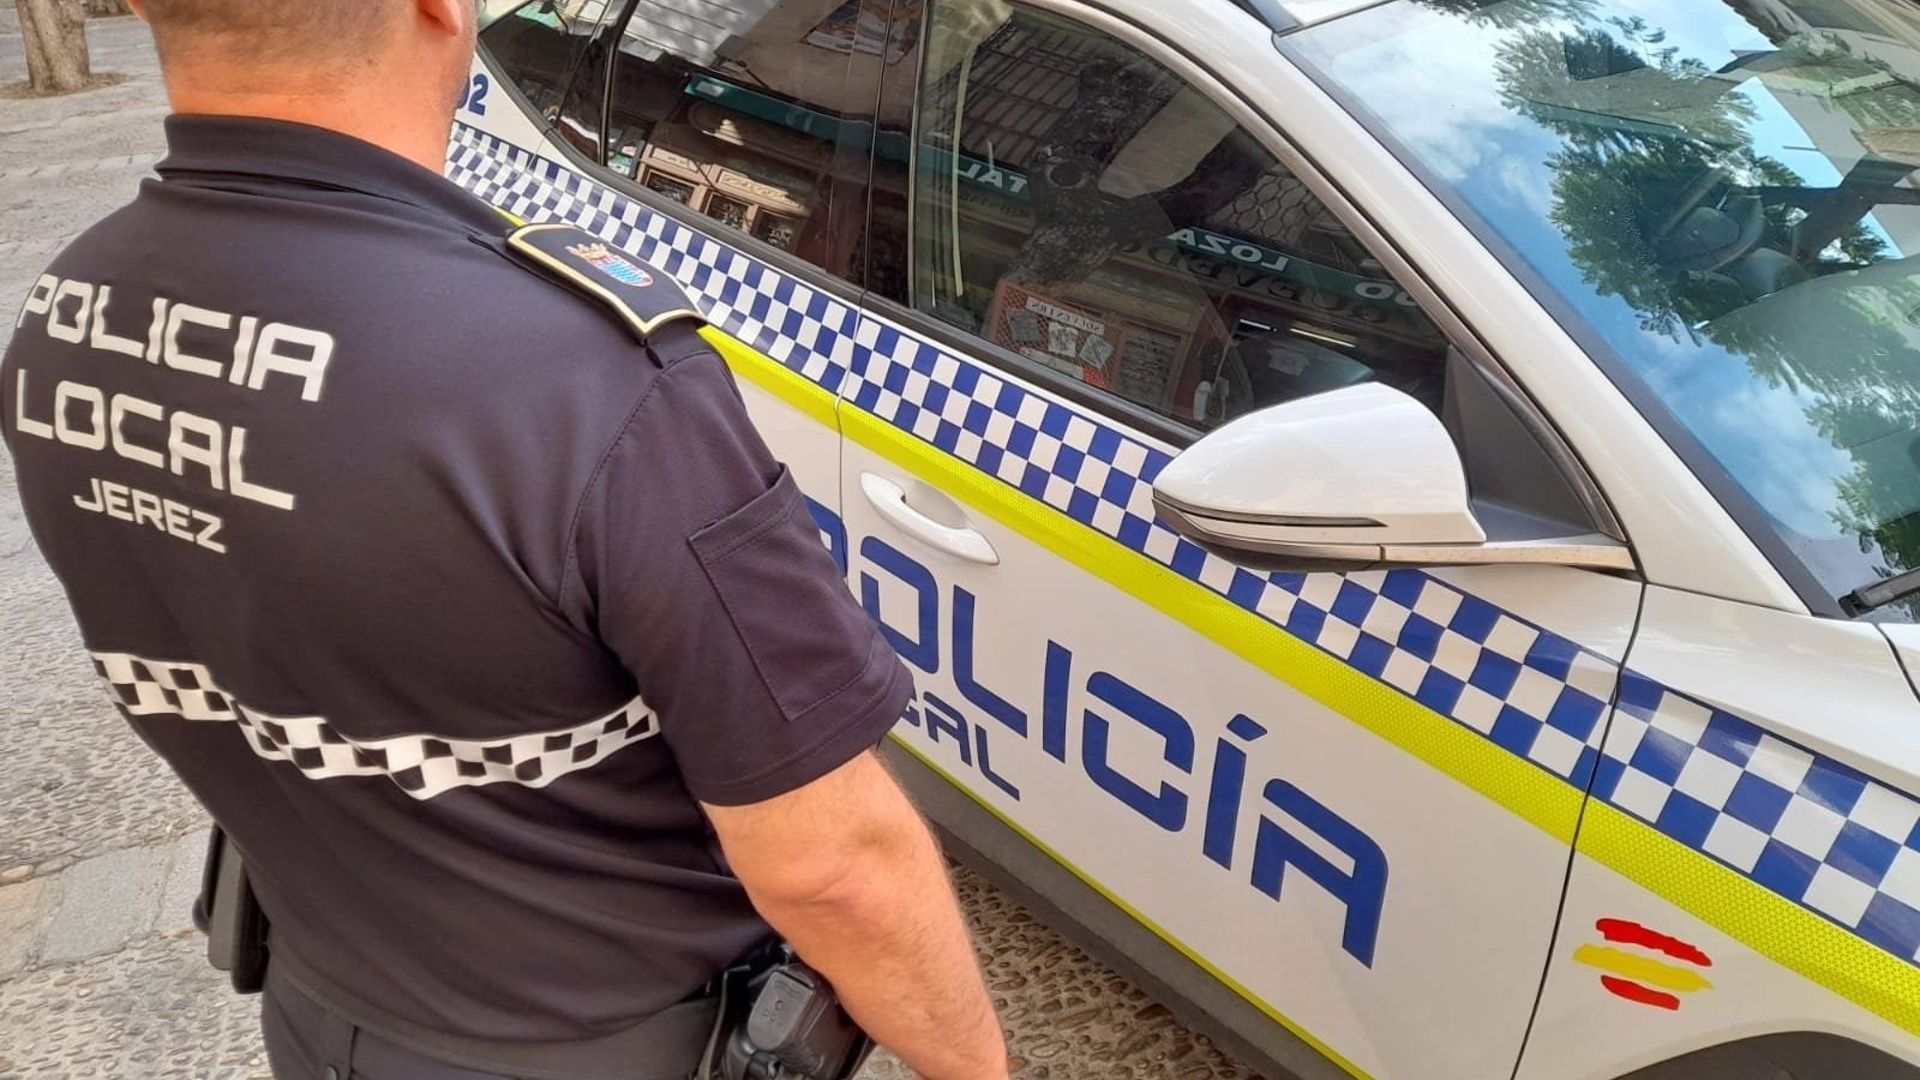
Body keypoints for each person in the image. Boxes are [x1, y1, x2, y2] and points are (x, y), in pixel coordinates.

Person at [0, 2, 1009, 1078]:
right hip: (608, 1042)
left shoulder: (67, 312)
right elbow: (833, 864)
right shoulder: (574, 380)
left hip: (317, 1006)